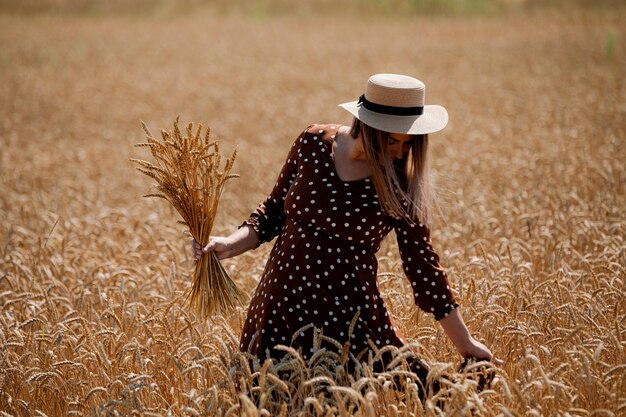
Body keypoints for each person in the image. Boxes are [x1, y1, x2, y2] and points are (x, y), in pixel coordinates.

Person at [192, 73, 496, 398]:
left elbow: (424, 270)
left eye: (408, 145)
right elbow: (271, 214)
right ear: (367, 125)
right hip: (279, 308)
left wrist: (465, 343)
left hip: (347, 324)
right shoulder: (312, 142)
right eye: (392, 141)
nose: (398, 153)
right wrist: (229, 244)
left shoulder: (400, 183)